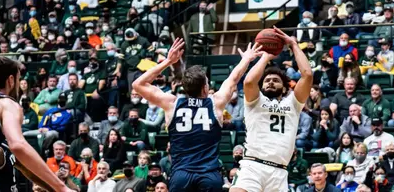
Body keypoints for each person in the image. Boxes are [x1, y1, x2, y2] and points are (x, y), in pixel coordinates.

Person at [133, 38, 262, 192]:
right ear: (204, 87)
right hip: (208, 175)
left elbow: (138, 84)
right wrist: (246, 59)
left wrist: (168, 61)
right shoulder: (215, 103)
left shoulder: (172, 104)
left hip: (181, 175)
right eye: (207, 82)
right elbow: (233, 79)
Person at [0, 56, 74, 192]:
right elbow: (18, 146)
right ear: (11, 80)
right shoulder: (5, 103)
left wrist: (55, 188)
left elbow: (21, 162)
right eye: (18, 79)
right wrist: (62, 189)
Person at [230, 27, 313, 192]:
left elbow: (307, 75)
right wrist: (266, 57)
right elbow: (248, 82)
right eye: (267, 80)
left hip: (279, 171)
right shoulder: (255, 101)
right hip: (253, 166)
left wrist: (293, 45)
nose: (270, 82)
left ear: (284, 89)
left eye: (276, 80)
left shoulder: (293, 104)